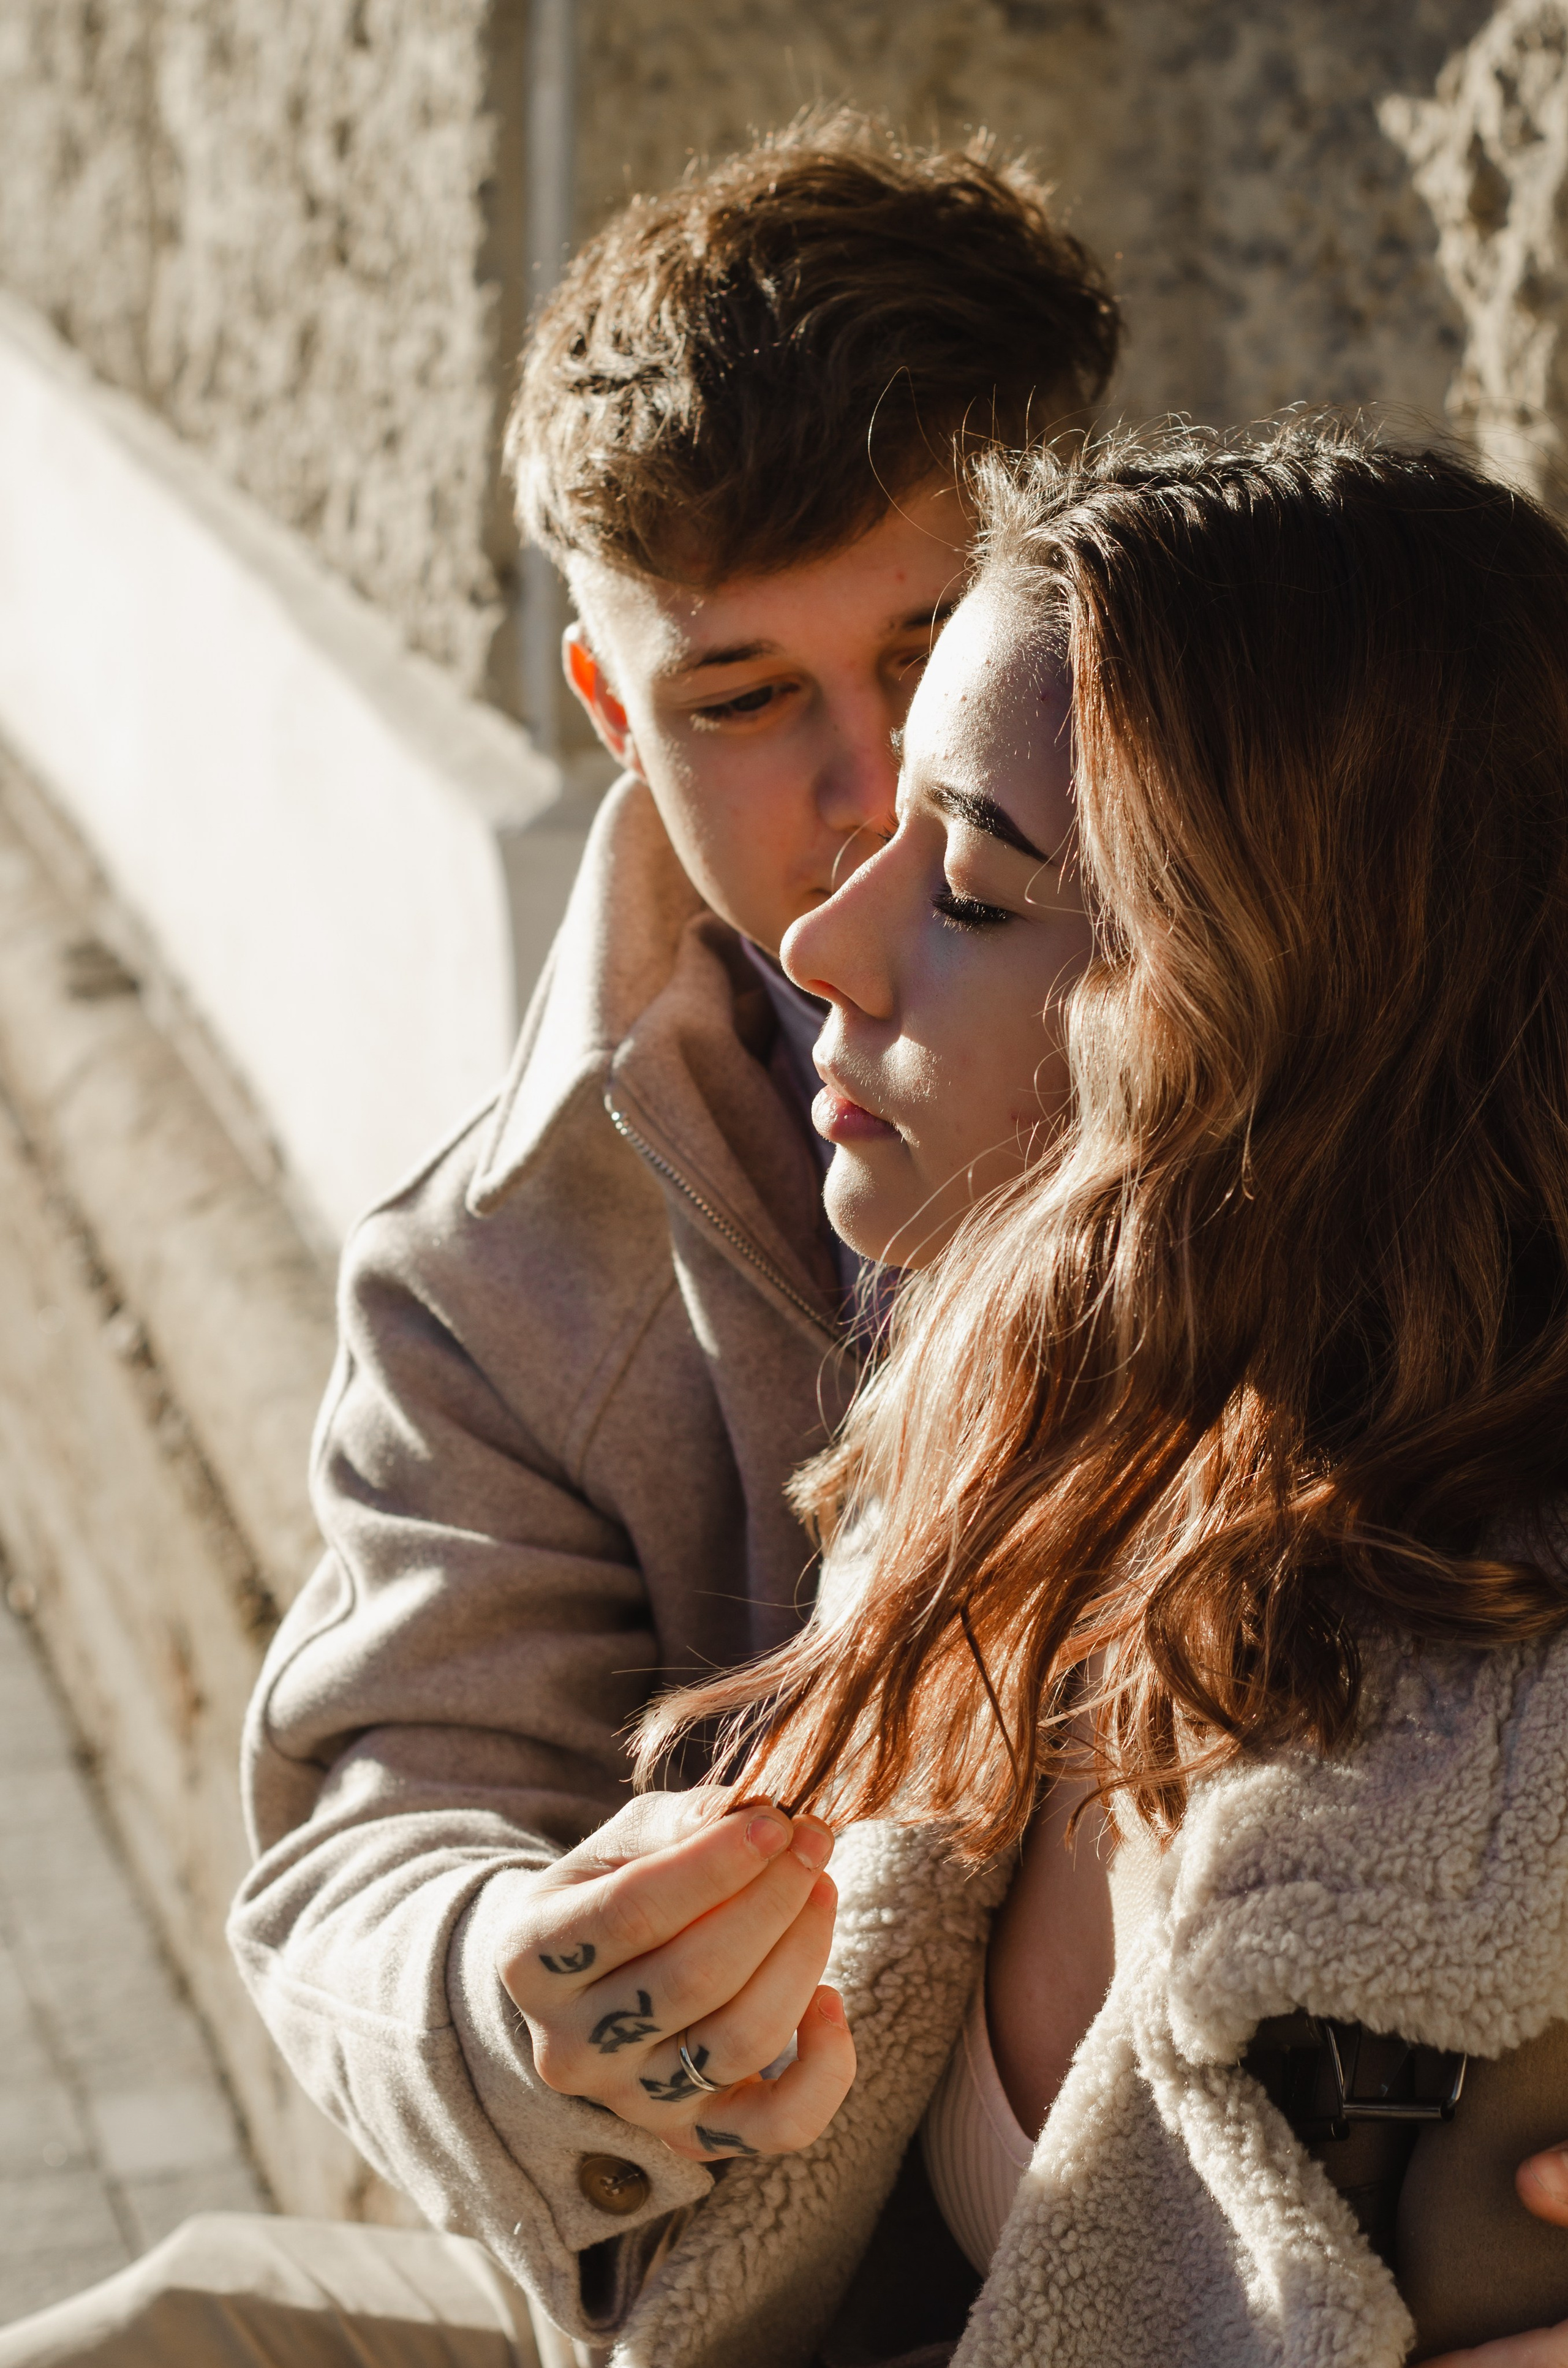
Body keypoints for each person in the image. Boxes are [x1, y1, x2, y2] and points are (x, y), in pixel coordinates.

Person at [0, 113, 1119, 2368]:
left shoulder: (1394, 1046)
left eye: (937, 650)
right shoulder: (502, 1261)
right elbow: (371, 1837)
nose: (879, 784)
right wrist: (526, 1991)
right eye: (744, 698)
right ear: (612, 714)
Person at [587, 423, 1568, 2367]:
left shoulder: (1497, 1809)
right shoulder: (1033, 1443)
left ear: (1273, 1003)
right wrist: (563, 2023)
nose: (824, 943)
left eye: (967, 883)